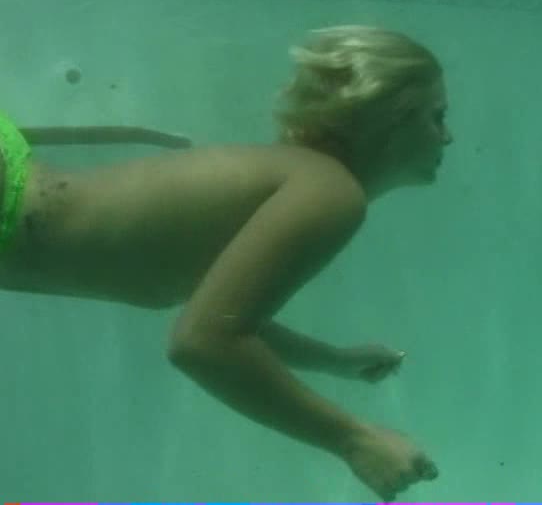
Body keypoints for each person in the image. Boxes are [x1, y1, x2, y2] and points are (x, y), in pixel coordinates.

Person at [0, 25, 453, 500]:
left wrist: (332, 361)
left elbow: (225, 318)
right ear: (391, 118)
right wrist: (355, 440)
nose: (448, 137)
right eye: (437, 116)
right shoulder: (332, 193)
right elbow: (203, 343)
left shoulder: (303, 179)